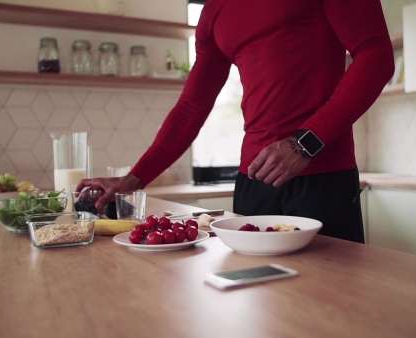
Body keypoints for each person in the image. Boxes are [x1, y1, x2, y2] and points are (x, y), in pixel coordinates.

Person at [76, 0, 395, 243]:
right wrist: (133, 179)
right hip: (253, 182)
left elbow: (376, 56)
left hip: (322, 178)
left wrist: (304, 143)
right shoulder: (215, 10)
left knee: (338, 306)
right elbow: (191, 107)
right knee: (258, 306)